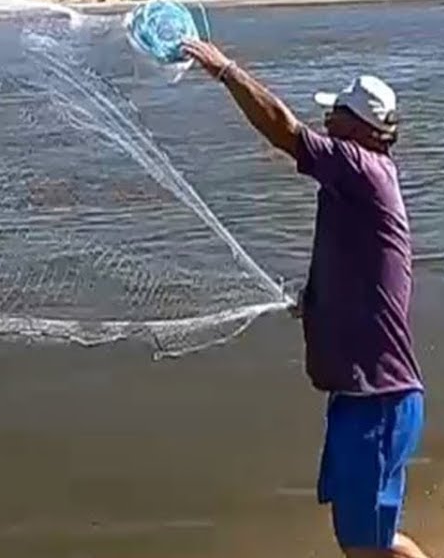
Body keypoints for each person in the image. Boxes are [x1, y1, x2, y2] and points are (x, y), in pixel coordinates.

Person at [181, 38, 430, 558]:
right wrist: (317, 301)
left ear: (360, 128)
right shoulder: (363, 179)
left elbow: (285, 130)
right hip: (367, 398)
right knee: (369, 544)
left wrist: (226, 70)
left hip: (377, 401)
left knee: (365, 548)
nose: (328, 125)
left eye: (335, 115)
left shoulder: (360, 168)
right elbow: (363, 268)